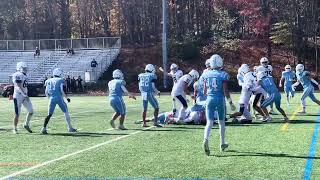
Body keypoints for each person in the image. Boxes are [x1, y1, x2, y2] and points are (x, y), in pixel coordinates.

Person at [201, 54, 236, 155]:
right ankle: (222, 143)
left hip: (209, 99)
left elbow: (204, 91)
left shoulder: (206, 74)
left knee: (209, 122)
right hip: (219, 99)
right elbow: (225, 90)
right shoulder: (223, 74)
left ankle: (206, 139)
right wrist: (230, 102)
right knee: (221, 122)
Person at [41, 68, 77, 134]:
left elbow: (46, 92)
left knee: (49, 114)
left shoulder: (48, 80)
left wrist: (49, 98)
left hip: (51, 98)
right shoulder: (60, 80)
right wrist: (67, 98)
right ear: (59, 73)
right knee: (66, 112)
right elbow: (62, 91)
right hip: (59, 98)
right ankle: (69, 127)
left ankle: (44, 128)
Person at [12, 62, 34, 134]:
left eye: (25, 68)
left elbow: (24, 87)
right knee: (17, 113)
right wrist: (24, 94)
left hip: (24, 95)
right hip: (18, 96)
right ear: (19, 68)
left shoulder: (24, 75)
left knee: (31, 111)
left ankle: (26, 124)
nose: (25, 69)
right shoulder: (17, 74)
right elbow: (17, 86)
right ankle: (15, 128)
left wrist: (25, 94)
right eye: (24, 68)